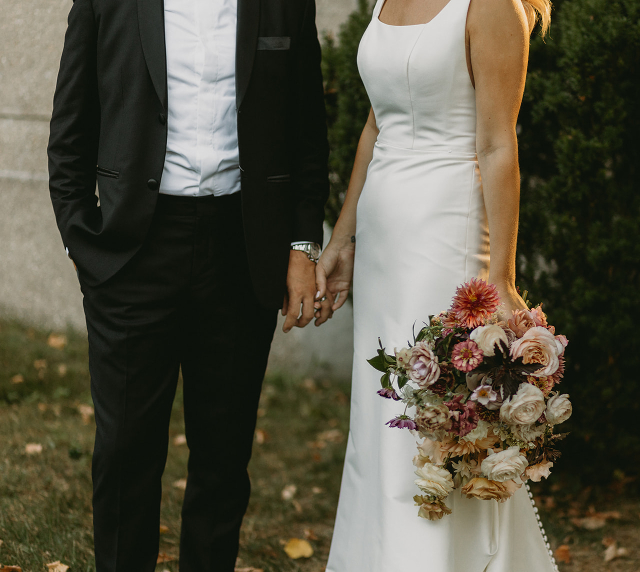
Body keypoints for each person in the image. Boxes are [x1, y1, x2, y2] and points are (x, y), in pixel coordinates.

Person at [46, 0, 330, 570]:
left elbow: (306, 128)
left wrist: (302, 246)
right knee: (125, 451)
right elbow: (70, 127)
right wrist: (82, 240)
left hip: (240, 247)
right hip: (133, 251)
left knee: (223, 460)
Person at [315, 0, 559, 569]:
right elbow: (375, 127)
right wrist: (343, 240)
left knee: (439, 419)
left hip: (447, 233)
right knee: (381, 419)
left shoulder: (492, 6)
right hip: (383, 242)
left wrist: (500, 276)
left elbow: (499, 144)